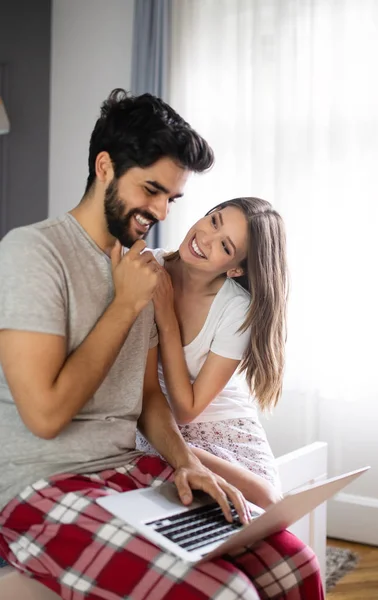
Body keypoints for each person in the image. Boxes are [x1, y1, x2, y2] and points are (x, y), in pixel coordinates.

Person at [0, 89, 324, 599]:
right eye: (150, 190)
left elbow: (149, 398)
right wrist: (126, 304)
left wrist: (186, 461)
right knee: (227, 593)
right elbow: (44, 415)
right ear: (104, 166)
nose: (160, 211)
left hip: (128, 468)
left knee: (295, 568)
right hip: (42, 483)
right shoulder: (34, 252)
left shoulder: (144, 269)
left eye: (170, 199)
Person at [136, 197, 286, 510]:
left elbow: (188, 409)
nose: (205, 238)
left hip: (221, 424)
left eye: (225, 246)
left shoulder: (236, 308)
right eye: (214, 221)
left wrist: (165, 315)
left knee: (267, 501)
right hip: (159, 421)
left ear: (235, 268)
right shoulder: (146, 267)